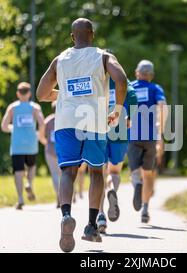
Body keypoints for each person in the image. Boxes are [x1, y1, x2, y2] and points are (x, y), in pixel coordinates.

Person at [36, 18, 127, 253]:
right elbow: (121, 80)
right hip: (95, 120)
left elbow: (41, 93)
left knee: (68, 171)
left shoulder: (60, 60)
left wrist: (64, 93)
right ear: (92, 35)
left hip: (65, 122)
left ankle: (66, 214)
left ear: (72, 37)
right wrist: (116, 110)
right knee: (97, 171)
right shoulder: (103, 56)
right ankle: (90, 226)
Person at [128, 60, 168, 223]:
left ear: (137, 73)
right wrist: (160, 132)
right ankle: (145, 208)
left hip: (133, 136)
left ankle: (137, 183)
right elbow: (163, 106)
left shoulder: (131, 87)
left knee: (134, 172)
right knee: (149, 174)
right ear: (151, 75)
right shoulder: (155, 89)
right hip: (151, 137)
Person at [97, 78, 138, 234]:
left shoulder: (97, 77)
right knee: (114, 171)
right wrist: (130, 118)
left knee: (98, 172)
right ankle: (111, 190)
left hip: (98, 127)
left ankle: (100, 216)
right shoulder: (121, 79)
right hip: (119, 127)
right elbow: (133, 96)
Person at [1, 82, 45, 210]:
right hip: (31, 144)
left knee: (18, 172)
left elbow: (3, 126)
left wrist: (13, 128)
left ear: (18, 94)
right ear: (30, 93)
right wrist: (40, 135)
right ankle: (29, 183)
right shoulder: (35, 108)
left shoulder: (12, 108)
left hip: (17, 146)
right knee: (32, 167)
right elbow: (42, 124)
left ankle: (20, 198)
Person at [40, 101, 61, 208]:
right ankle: (64, 197)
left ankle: (58, 197)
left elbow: (41, 136)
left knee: (54, 175)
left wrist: (47, 144)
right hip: (63, 150)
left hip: (50, 150)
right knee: (64, 175)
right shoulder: (65, 120)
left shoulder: (47, 121)